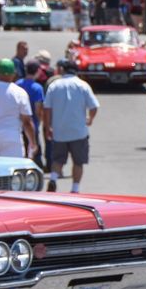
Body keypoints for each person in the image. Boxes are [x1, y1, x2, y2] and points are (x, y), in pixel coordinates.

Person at [43, 59, 99, 193]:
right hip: (78, 131)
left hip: (59, 130)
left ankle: (53, 178)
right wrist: (90, 119)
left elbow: (47, 108)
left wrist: (47, 127)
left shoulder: (54, 85)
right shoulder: (83, 85)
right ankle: (75, 188)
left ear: (63, 70)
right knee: (78, 162)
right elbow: (94, 106)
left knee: (58, 159)